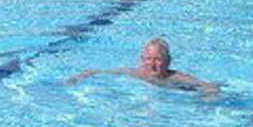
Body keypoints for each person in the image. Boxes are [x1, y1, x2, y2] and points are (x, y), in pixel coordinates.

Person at [67, 37, 219, 100]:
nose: (152, 64)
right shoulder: (137, 74)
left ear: (168, 62)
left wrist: (207, 98)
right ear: (142, 60)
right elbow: (99, 71)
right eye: (148, 59)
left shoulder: (175, 77)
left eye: (158, 59)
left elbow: (210, 86)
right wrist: (80, 76)